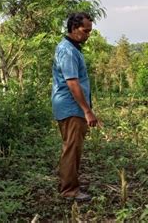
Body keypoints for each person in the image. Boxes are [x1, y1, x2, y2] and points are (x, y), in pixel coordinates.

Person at [51, 12, 100, 201]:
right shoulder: (68, 51)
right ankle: (69, 190)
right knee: (71, 148)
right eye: (85, 31)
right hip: (71, 107)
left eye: (90, 31)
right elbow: (72, 83)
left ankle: (69, 182)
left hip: (71, 107)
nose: (88, 34)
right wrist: (87, 111)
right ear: (73, 28)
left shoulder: (72, 48)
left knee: (72, 147)